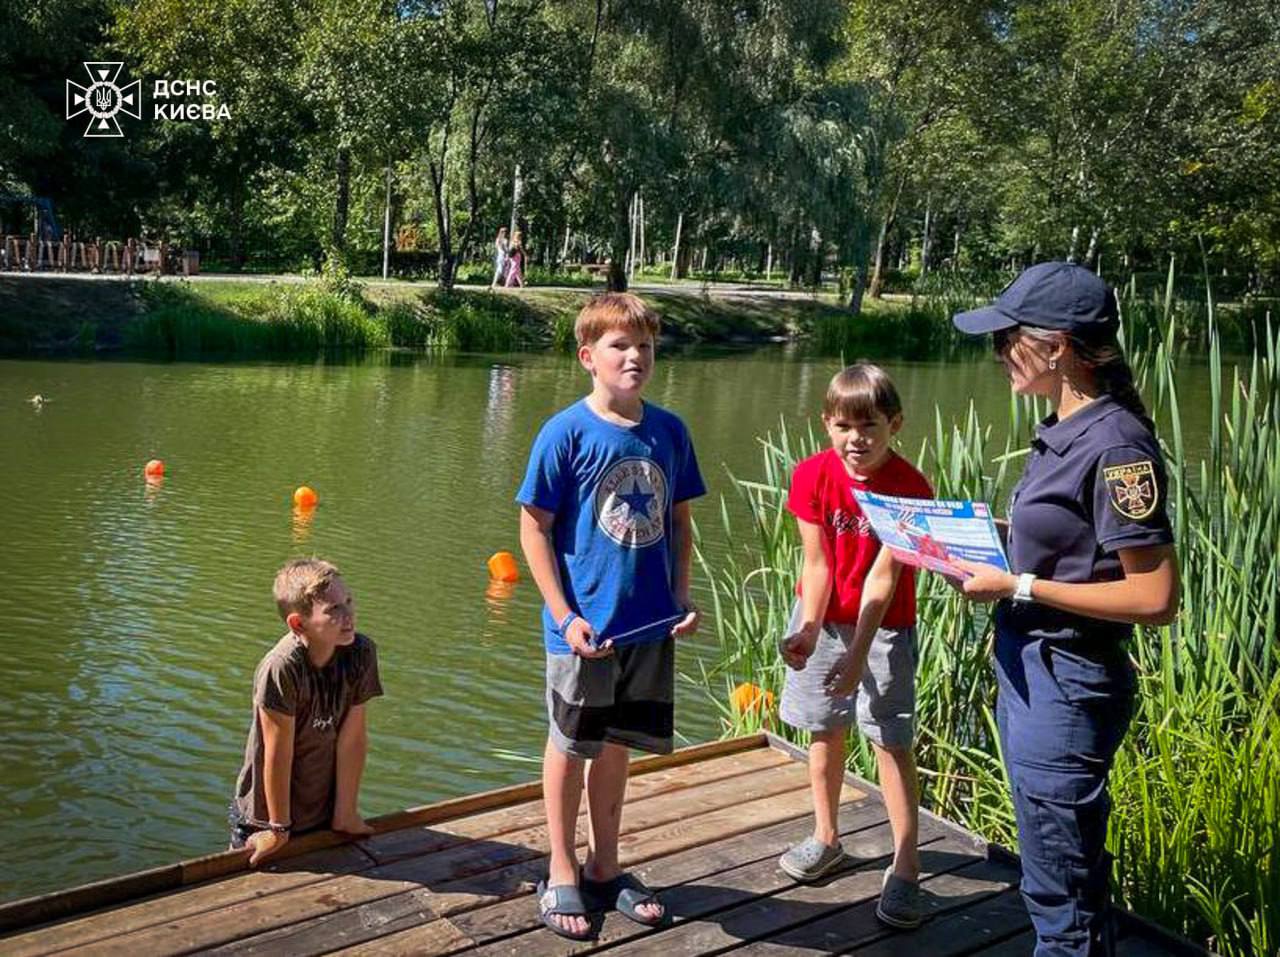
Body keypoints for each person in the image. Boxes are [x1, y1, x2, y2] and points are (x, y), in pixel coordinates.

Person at [950, 261, 1179, 956]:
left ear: (1057, 347)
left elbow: (1154, 595)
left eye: (1006, 339)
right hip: (1029, 669)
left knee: (1061, 895)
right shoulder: (1062, 427)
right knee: (1058, 868)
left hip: (1069, 680)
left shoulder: (1116, 445)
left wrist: (1018, 586)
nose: (996, 354)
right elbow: (1069, 546)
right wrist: (972, 540)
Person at [517, 292, 704, 940]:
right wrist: (564, 615)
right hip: (584, 631)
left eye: (645, 345)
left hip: (647, 626)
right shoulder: (564, 432)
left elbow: (680, 520)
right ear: (587, 356)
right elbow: (533, 529)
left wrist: (681, 596)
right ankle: (562, 864)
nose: (635, 356)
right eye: (620, 345)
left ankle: (605, 864)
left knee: (620, 742)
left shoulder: (670, 431)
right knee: (571, 745)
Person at [777, 363, 934, 929]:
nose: (855, 438)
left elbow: (883, 579)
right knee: (824, 726)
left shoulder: (911, 487)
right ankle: (826, 836)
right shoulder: (811, 475)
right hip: (827, 620)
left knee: (891, 738)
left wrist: (858, 652)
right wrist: (811, 629)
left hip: (884, 626)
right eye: (843, 426)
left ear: (895, 424)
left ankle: (907, 866)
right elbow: (815, 565)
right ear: (826, 425)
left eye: (869, 425)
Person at [229, 559, 383, 866]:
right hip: (264, 820)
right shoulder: (282, 667)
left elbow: (352, 739)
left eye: (349, 602)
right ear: (299, 624)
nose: (348, 615)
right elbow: (278, 751)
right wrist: (278, 829)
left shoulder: (361, 653)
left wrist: (346, 814)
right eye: (333, 610)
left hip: (321, 812)